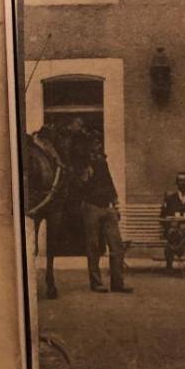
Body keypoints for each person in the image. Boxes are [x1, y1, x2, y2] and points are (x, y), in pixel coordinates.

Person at [67, 124, 131, 294]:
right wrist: (84, 171)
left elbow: (109, 183)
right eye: (95, 142)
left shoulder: (102, 162)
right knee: (93, 246)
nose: (98, 145)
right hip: (91, 207)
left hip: (107, 207)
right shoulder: (81, 163)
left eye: (99, 142)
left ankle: (118, 283)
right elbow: (78, 184)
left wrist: (116, 205)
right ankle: (96, 283)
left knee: (117, 246)